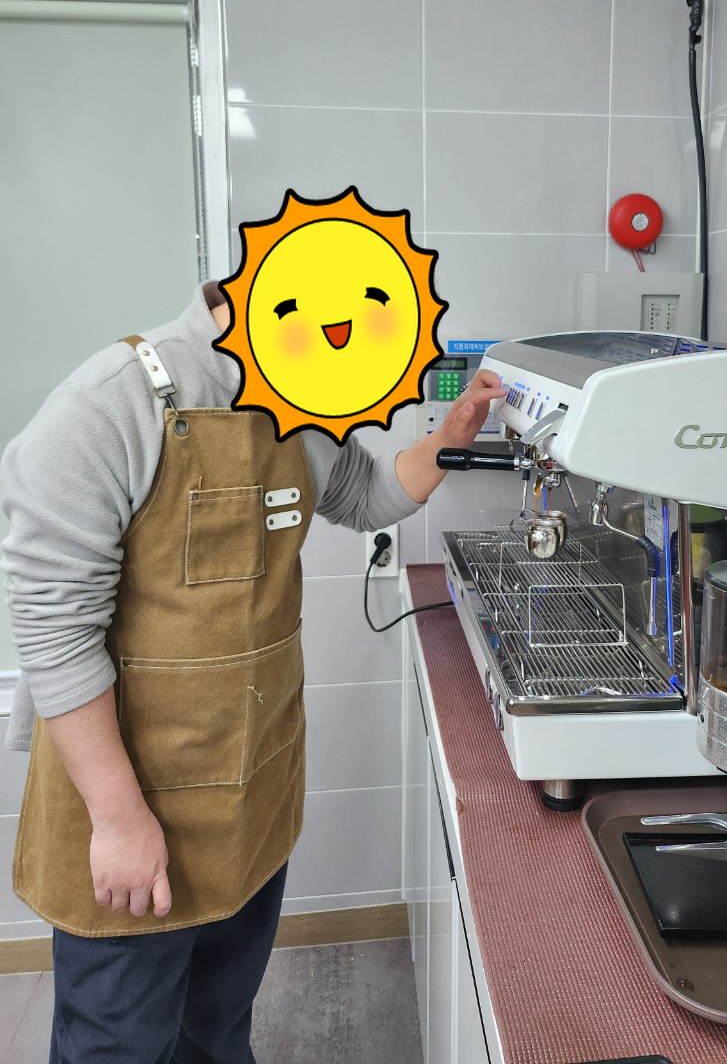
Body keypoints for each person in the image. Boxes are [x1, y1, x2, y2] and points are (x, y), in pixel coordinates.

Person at [0, 280, 505, 1064]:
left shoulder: (291, 400)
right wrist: (119, 820)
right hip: (129, 807)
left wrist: (452, 435)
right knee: (118, 1044)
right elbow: (54, 632)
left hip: (249, 799)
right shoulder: (104, 408)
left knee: (216, 1030)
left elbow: (363, 495)